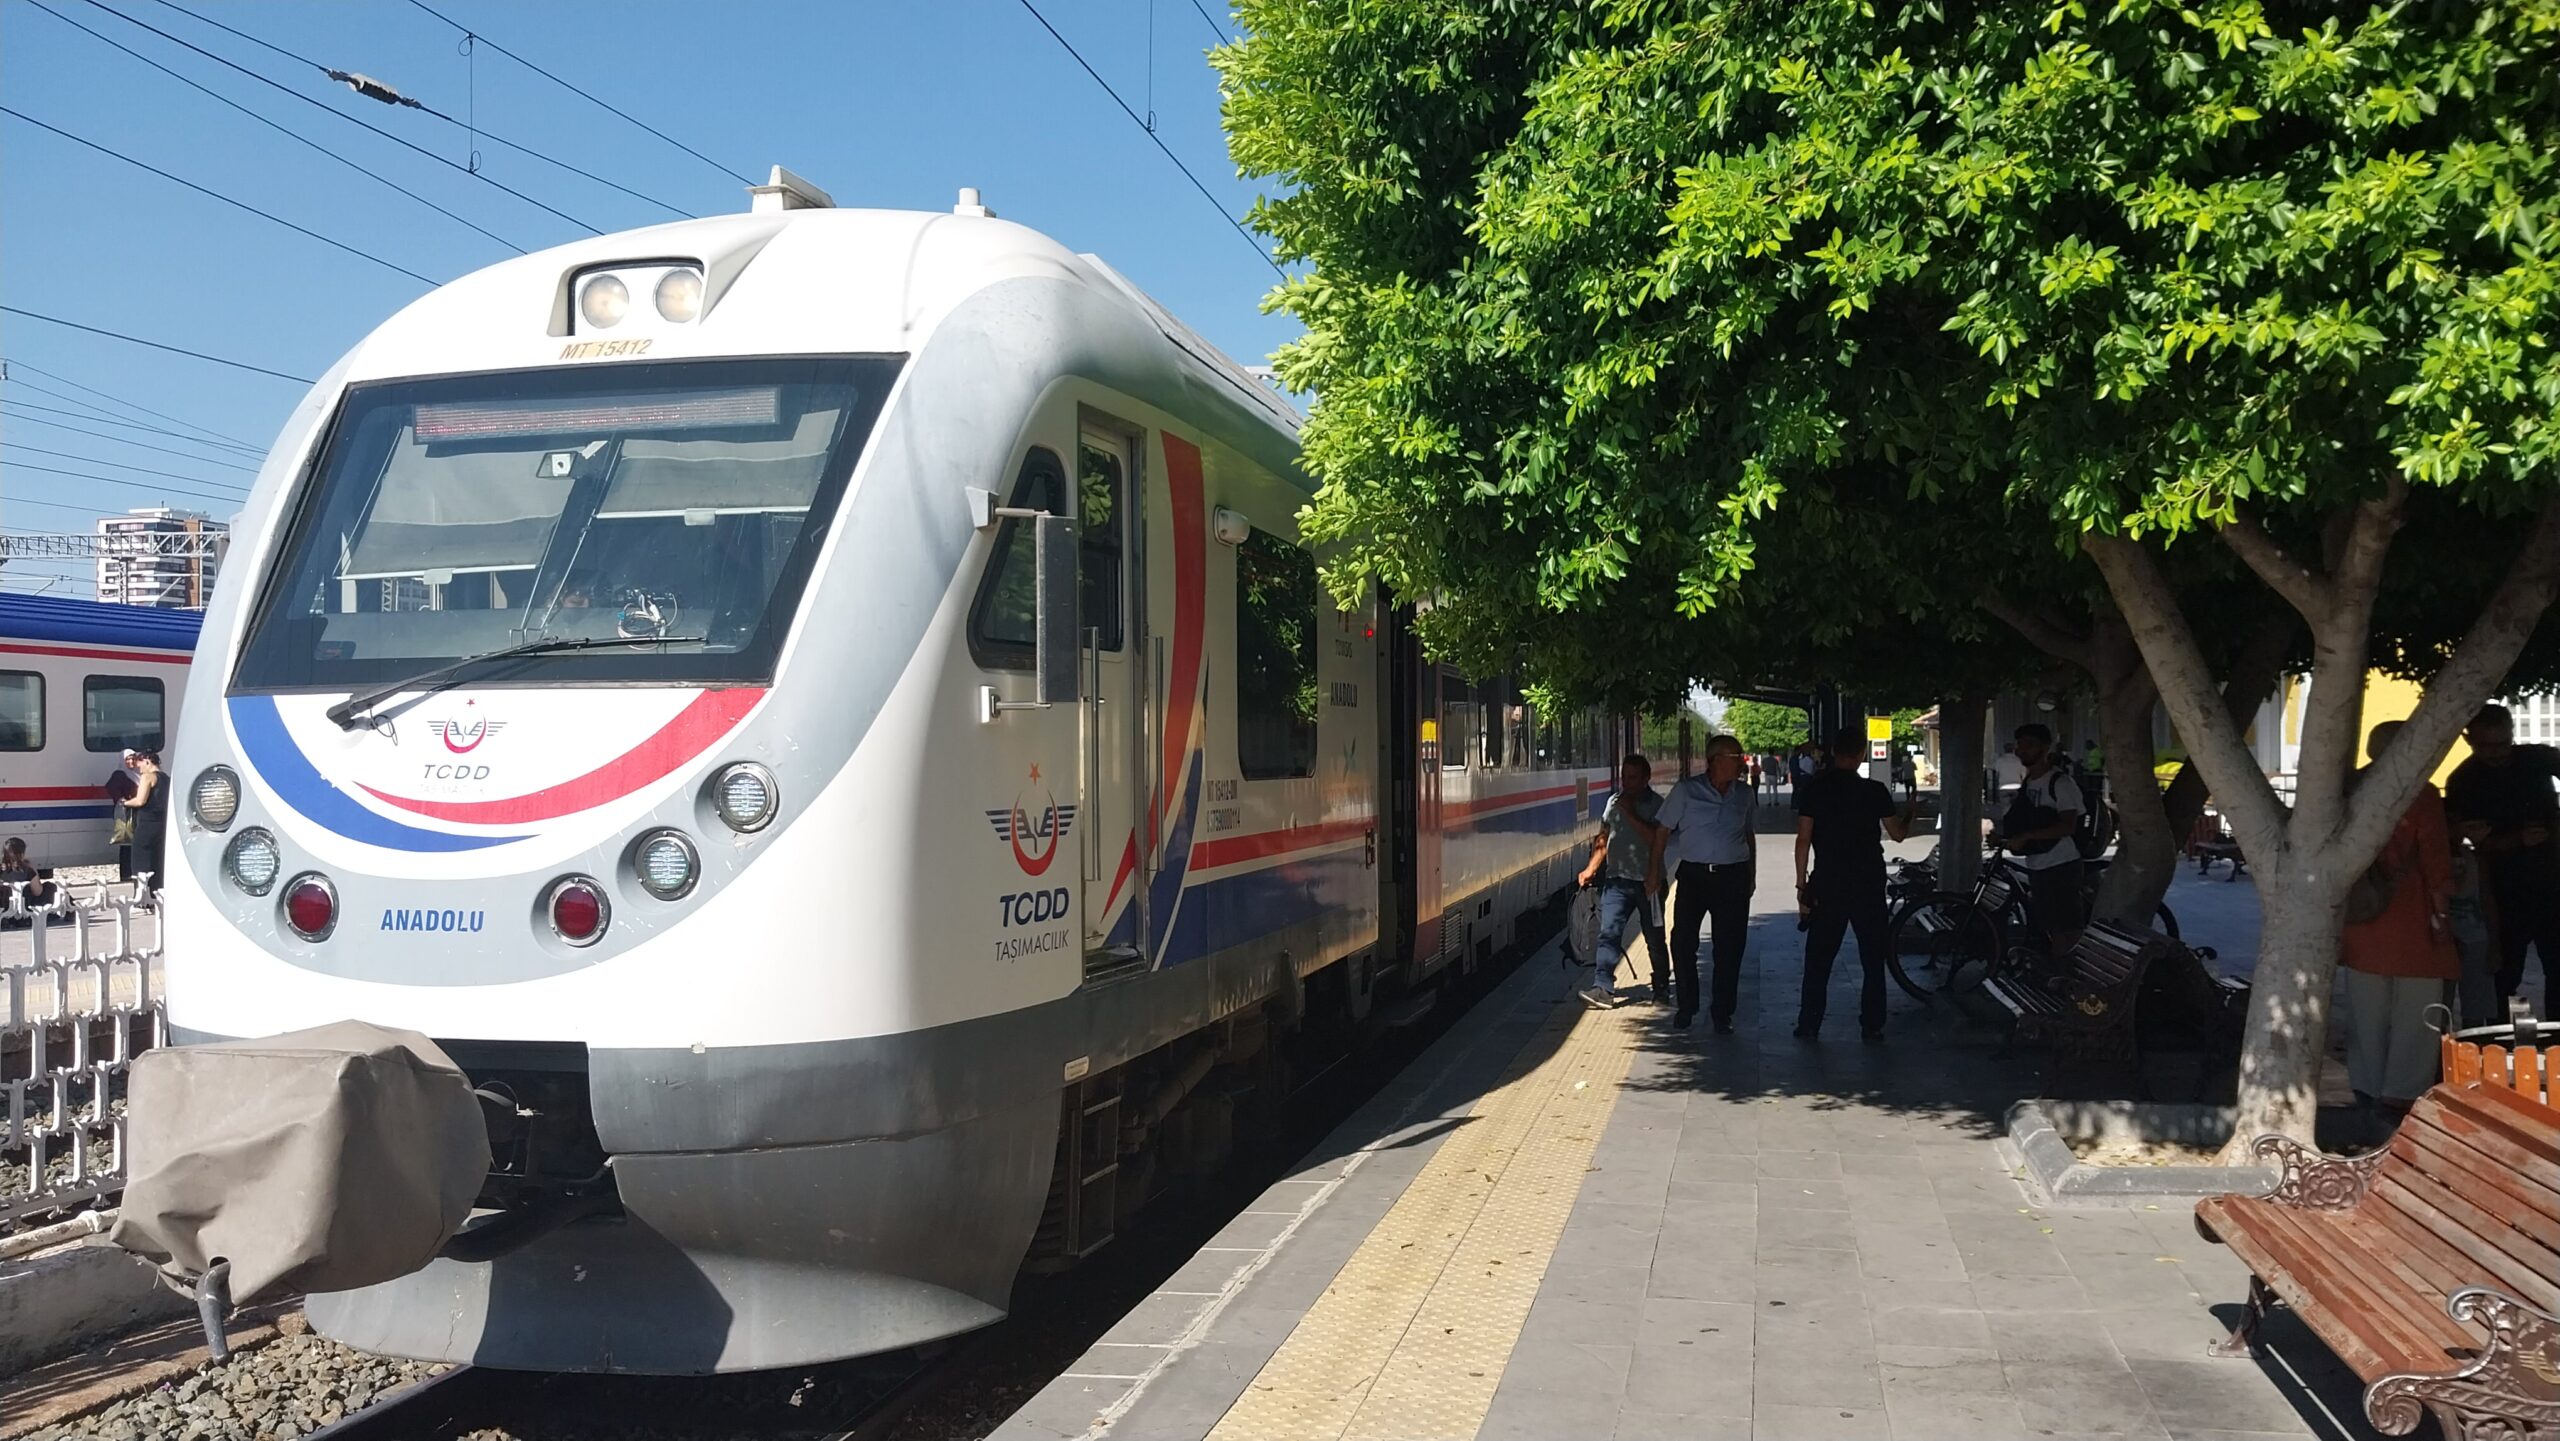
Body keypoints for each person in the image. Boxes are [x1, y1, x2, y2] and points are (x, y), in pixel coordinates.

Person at [2341, 721, 2461, 1133]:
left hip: (2360, 919)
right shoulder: (2419, 794)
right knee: (2416, 1012)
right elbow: (2435, 860)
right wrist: (2442, 914)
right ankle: (2401, 1092)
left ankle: (2367, 1085)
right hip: (2412, 920)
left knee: (2365, 1010)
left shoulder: (2348, 790)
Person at [1794, 727, 1911, 1042]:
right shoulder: (1875, 790)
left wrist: (1801, 885)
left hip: (1828, 881)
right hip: (1868, 882)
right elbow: (1898, 834)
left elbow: (1803, 840)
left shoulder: (1814, 789)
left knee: (1818, 959)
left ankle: (1809, 1024)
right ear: (1862, 754)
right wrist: (1911, 812)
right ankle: (1872, 1025)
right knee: (1873, 958)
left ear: (1833, 751)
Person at [2444, 703, 2560, 1011]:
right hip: (2503, 889)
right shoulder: (2464, 780)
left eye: (2502, 744)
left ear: (2512, 734)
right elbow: (2474, 843)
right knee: (2505, 974)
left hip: (2552, 879)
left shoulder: (2536, 758)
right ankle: (2505, 1037)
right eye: (2485, 746)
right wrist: (2517, 840)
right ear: (2469, 740)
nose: (2496, 753)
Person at [1657, 736, 1757, 1032]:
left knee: (1730, 947)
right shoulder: (1687, 791)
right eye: (1736, 756)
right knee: (1682, 941)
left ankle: (1722, 1013)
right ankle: (1687, 1006)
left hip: (1733, 877)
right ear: (1716, 760)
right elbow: (1662, 831)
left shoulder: (1745, 794)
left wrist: (1751, 875)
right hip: (1694, 876)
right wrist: (1655, 872)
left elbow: (1748, 834)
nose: (1741, 762)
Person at [1575, 753, 1668, 1009]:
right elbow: (1604, 838)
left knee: (1654, 938)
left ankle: (1661, 987)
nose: (1627, 783)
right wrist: (1591, 868)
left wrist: (1630, 813)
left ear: (1646, 778)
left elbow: (1656, 840)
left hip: (1649, 883)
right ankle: (1603, 987)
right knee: (1608, 934)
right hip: (1617, 881)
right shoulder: (1613, 802)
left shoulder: (1658, 805)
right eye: (1624, 777)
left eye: (1633, 778)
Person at [2002, 724, 2087, 958]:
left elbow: (2068, 825)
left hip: (2061, 864)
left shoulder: (2060, 783)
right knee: (2049, 927)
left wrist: (2027, 836)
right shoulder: (2030, 781)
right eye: (2020, 745)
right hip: (2038, 864)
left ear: (2045, 747)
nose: (2022, 750)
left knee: (2065, 928)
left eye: (2029, 745)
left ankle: (2069, 971)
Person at [104, 749, 152, 883]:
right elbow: (111, 788)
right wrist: (123, 800)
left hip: (141, 811)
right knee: (127, 843)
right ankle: (126, 874)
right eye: (127, 759)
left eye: (133, 758)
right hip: (128, 813)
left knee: (136, 842)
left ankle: (137, 873)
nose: (130, 762)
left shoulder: (141, 774)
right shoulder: (119, 774)